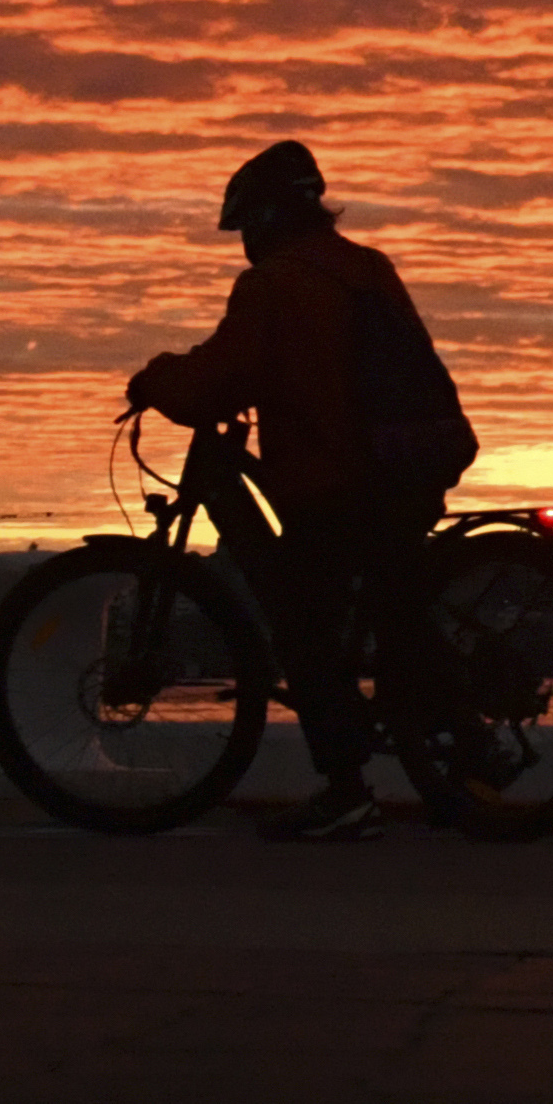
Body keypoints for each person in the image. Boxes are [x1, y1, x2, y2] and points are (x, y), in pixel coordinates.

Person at [126, 138, 475, 844]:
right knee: (389, 603)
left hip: (339, 479)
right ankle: (455, 748)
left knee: (301, 622)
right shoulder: (368, 267)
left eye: (246, 225)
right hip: (411, 466)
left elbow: (220, 374)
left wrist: (155, 378)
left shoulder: (275, 283)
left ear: (265, 216)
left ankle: (346, 790)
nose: (244, 242)